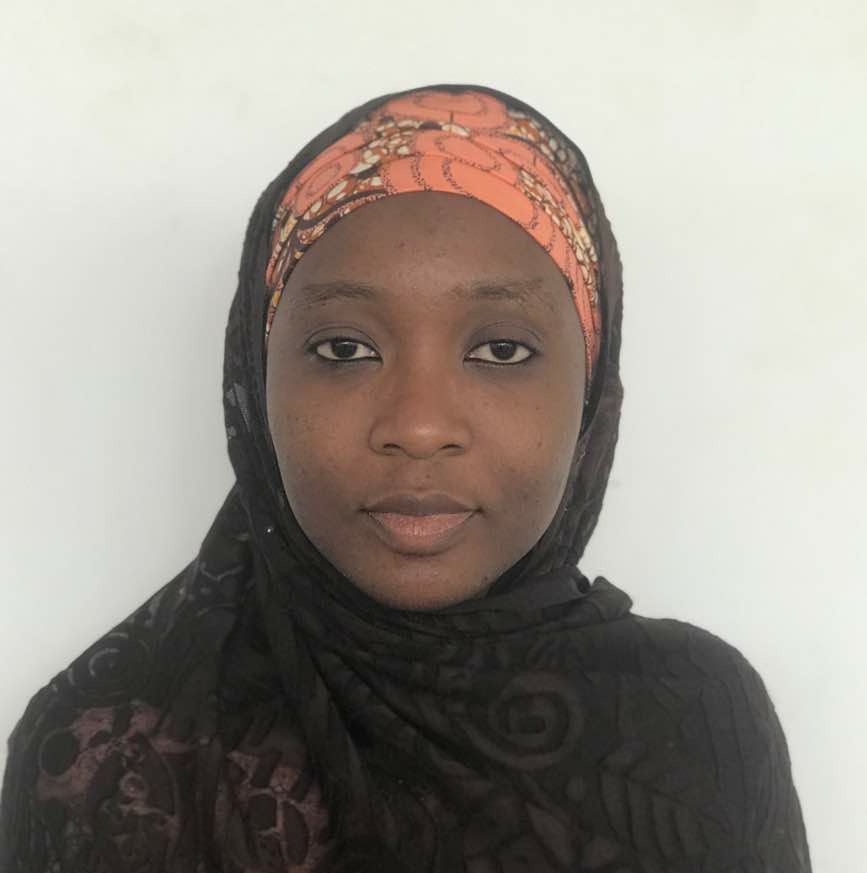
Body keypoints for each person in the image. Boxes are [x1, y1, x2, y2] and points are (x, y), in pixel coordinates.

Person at [0, 83, 812, 872]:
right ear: (258, 377)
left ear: (590, 393)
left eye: (499, 350)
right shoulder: (98, 755)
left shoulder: (699, 725)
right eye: (345, 349)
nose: (418, 426)